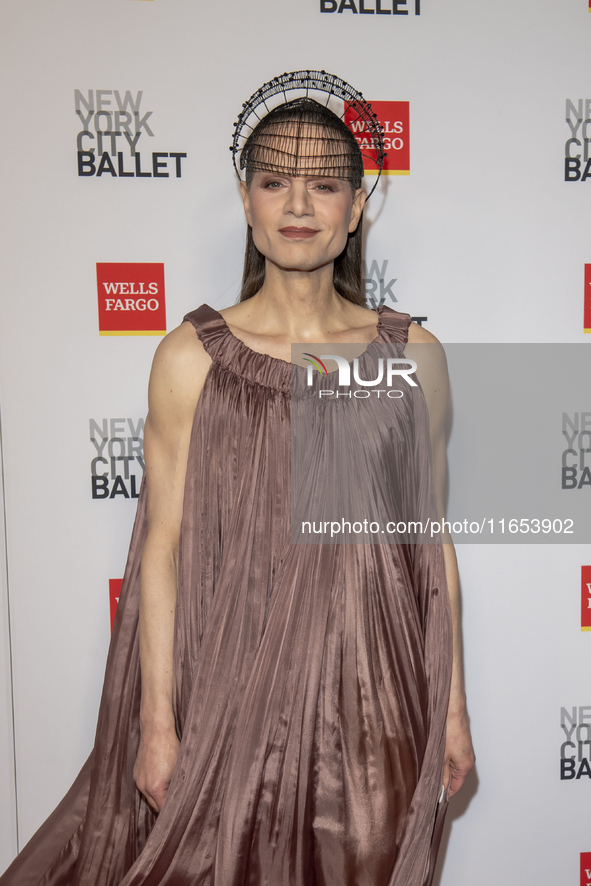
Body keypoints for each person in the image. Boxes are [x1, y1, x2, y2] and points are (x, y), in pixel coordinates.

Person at [0, 72, 474, 886]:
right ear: (247, 201)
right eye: (274, 181)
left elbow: (429, 542)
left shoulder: (411, 356)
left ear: (355, 209)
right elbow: (162, 544)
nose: (298, 204)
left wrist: (454, 709)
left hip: (374, 704)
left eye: (324, 184)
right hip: (228, 692)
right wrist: (156, 720)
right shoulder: (189, 356)